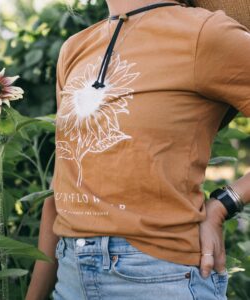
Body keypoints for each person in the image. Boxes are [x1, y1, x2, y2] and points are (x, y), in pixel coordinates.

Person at [26, 0, 250, 299]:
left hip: (160, 277)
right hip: (70, 277)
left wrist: (224, 204)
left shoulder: (207, 33)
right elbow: (61, 188)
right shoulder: (75, 47)